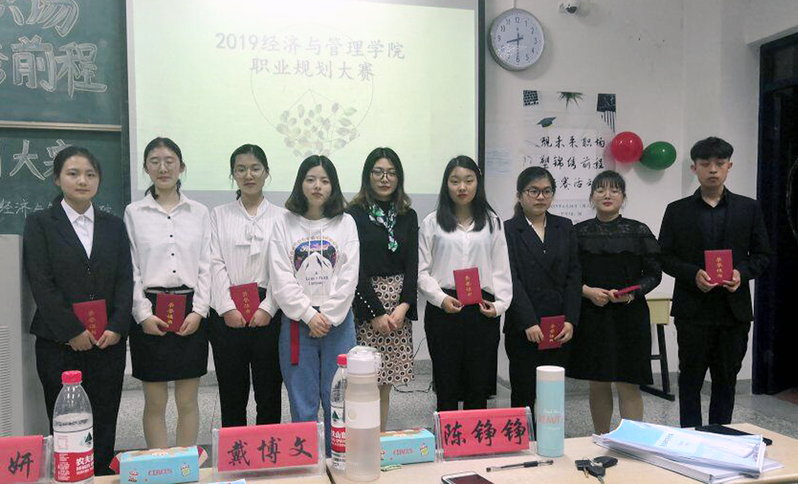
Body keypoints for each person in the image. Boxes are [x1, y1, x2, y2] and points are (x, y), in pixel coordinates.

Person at [23, 146, 132, 475]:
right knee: (66, 423)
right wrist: (72, 330)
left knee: (105, 416)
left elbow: (125, 279)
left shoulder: (114, 225)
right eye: (73, 174)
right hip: (60, 343)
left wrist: (117, 326)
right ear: (57, 178)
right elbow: (41, 283)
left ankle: (101, 474)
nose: (82, 181)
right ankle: (69, 476)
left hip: (107, 342)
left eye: (90, 174)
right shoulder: (40, 223)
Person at [658, 137, 771, 428]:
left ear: (729, 166)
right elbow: (664, 257)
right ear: (694, 168)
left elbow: (763, 255)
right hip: (692, 310)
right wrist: (692, 274)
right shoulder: (677, 210)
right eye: (705, 164)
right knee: (690, 379)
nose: (712, 169)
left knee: (726, 380)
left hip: (733, 312)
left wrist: (741, 273)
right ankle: (690, 437)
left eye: (719, 163)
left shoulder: (749, 208)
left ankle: (720, 436)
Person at [124, 137, 211, 448]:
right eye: (155, 161)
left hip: (190, 308)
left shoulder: (199, 212)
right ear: (146, 168)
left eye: (169, 161)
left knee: (188, 400)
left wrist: (199, 311)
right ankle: (159, 464)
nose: (163, 167)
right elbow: (131, 267)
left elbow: (206, 264)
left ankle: (185, 463)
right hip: (150, 308)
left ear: (181, 167)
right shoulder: (134, 212)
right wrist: (142, 314)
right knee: (155, 401)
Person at [268, 155, 358, 454]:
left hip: (338, 323)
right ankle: (307, 463)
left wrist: (328, 316)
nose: (317, 186)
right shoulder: (283, 223)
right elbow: (280, 276)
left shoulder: (346, 223)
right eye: (310, 179)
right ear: (300, 184)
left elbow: (349, 275)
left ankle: (338, 460)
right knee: (302, 400)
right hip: (298, 323)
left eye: (324, 180)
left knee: (339, 399)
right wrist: (308, 314)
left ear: (333, 186)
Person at [567, 170, 661, 434]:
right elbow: (568, 274)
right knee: (598, 381)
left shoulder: (639, 231)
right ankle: (601, 436)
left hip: (630, 315)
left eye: (614, 190)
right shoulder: (578, 232)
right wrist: (587, 292)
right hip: (592, 314)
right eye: (600, 190)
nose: (607, 195)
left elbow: (654, 274)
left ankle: (632, 440)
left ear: (623, 197)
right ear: (592, 197)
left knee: (628, 381)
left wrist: (632, 293)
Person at [418, 155, 512, 411]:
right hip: (444, 308)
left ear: (477, 183)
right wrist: (440, 299)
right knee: (446, 384)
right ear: (446, 185)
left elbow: (502, 269)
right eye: (455, 181)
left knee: (478, 386)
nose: (462, 187)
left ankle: (475, 436)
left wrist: (499, 306)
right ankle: (446, 436)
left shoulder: (492, 222)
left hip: (482, 309)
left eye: (469, 180)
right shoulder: (432, 222)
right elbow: (422, 271)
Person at [209, 144, 283, 427]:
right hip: (227, 312)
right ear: (233, 174)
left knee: (269, 391)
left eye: (255, 168)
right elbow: (214, 262)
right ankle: (235, 450)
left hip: (269, 312)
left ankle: (268, 450)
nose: (248, 175)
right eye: (241, 169)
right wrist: (227, 308)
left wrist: (268, 307)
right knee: (231, 392)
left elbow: (284, 268)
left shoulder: (282, 216)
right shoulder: (218, 215)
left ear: (266, 172)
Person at [348, 147, 418, 431]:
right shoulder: (354, 214)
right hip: (367, 303)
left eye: (391, 173)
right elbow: (354, 267)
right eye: (378, 172)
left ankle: (379, 438)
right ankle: (360, 439)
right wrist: (375, 312)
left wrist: (404, 306)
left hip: (398, 308)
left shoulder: (407, 215)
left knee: (386, 383)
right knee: (364, 382)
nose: (385, 178)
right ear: (368, 176)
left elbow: (413, 264)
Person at [504, 166, 580, 414]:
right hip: (523, 325)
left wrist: (570, 320)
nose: (540, 197)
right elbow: (510, 279)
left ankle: (551, 435)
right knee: (523, 391)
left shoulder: (564, 226)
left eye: (547, 191)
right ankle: (524, 437)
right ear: (519, 195)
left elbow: (573, 274)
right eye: (533, 191)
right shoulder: (508, 230)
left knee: (552, 394)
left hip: (558, 325)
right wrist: (528, 321)